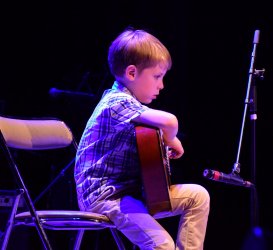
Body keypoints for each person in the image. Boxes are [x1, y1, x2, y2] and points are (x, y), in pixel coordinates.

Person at [74, 27, 210, 250]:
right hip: (106, 197)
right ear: (131, 73)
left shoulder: (131, 107)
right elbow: (171, 122)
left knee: (198, 197)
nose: (162, 85)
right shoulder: (116, 102)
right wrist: (172, 140)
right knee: (162, 244)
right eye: (157, 76)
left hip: (129, 192)